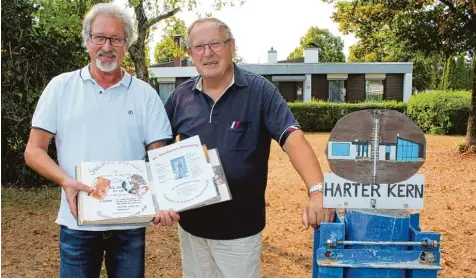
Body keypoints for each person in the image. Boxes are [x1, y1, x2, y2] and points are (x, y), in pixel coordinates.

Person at [164, 18, 335, 278]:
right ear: (190, 54)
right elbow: (160, 149)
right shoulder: (180, 97)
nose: (207, 53)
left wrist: (317, 191)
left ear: (232, 46)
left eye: (214, 44)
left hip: (239, 234)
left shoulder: (260, 91)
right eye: (199, 47)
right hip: (191, 231)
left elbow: (293, 138)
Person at [24, 3, 179, 278]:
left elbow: (160, 157)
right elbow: (34, 150)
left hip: (130, 223)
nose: (107, 46)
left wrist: (164, 199)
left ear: (127, 44)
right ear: (87, 41)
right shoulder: (60, 88)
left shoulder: (145, 95)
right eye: (100, 37)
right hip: (77, 223)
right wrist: (65, 181)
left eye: (116, 39)